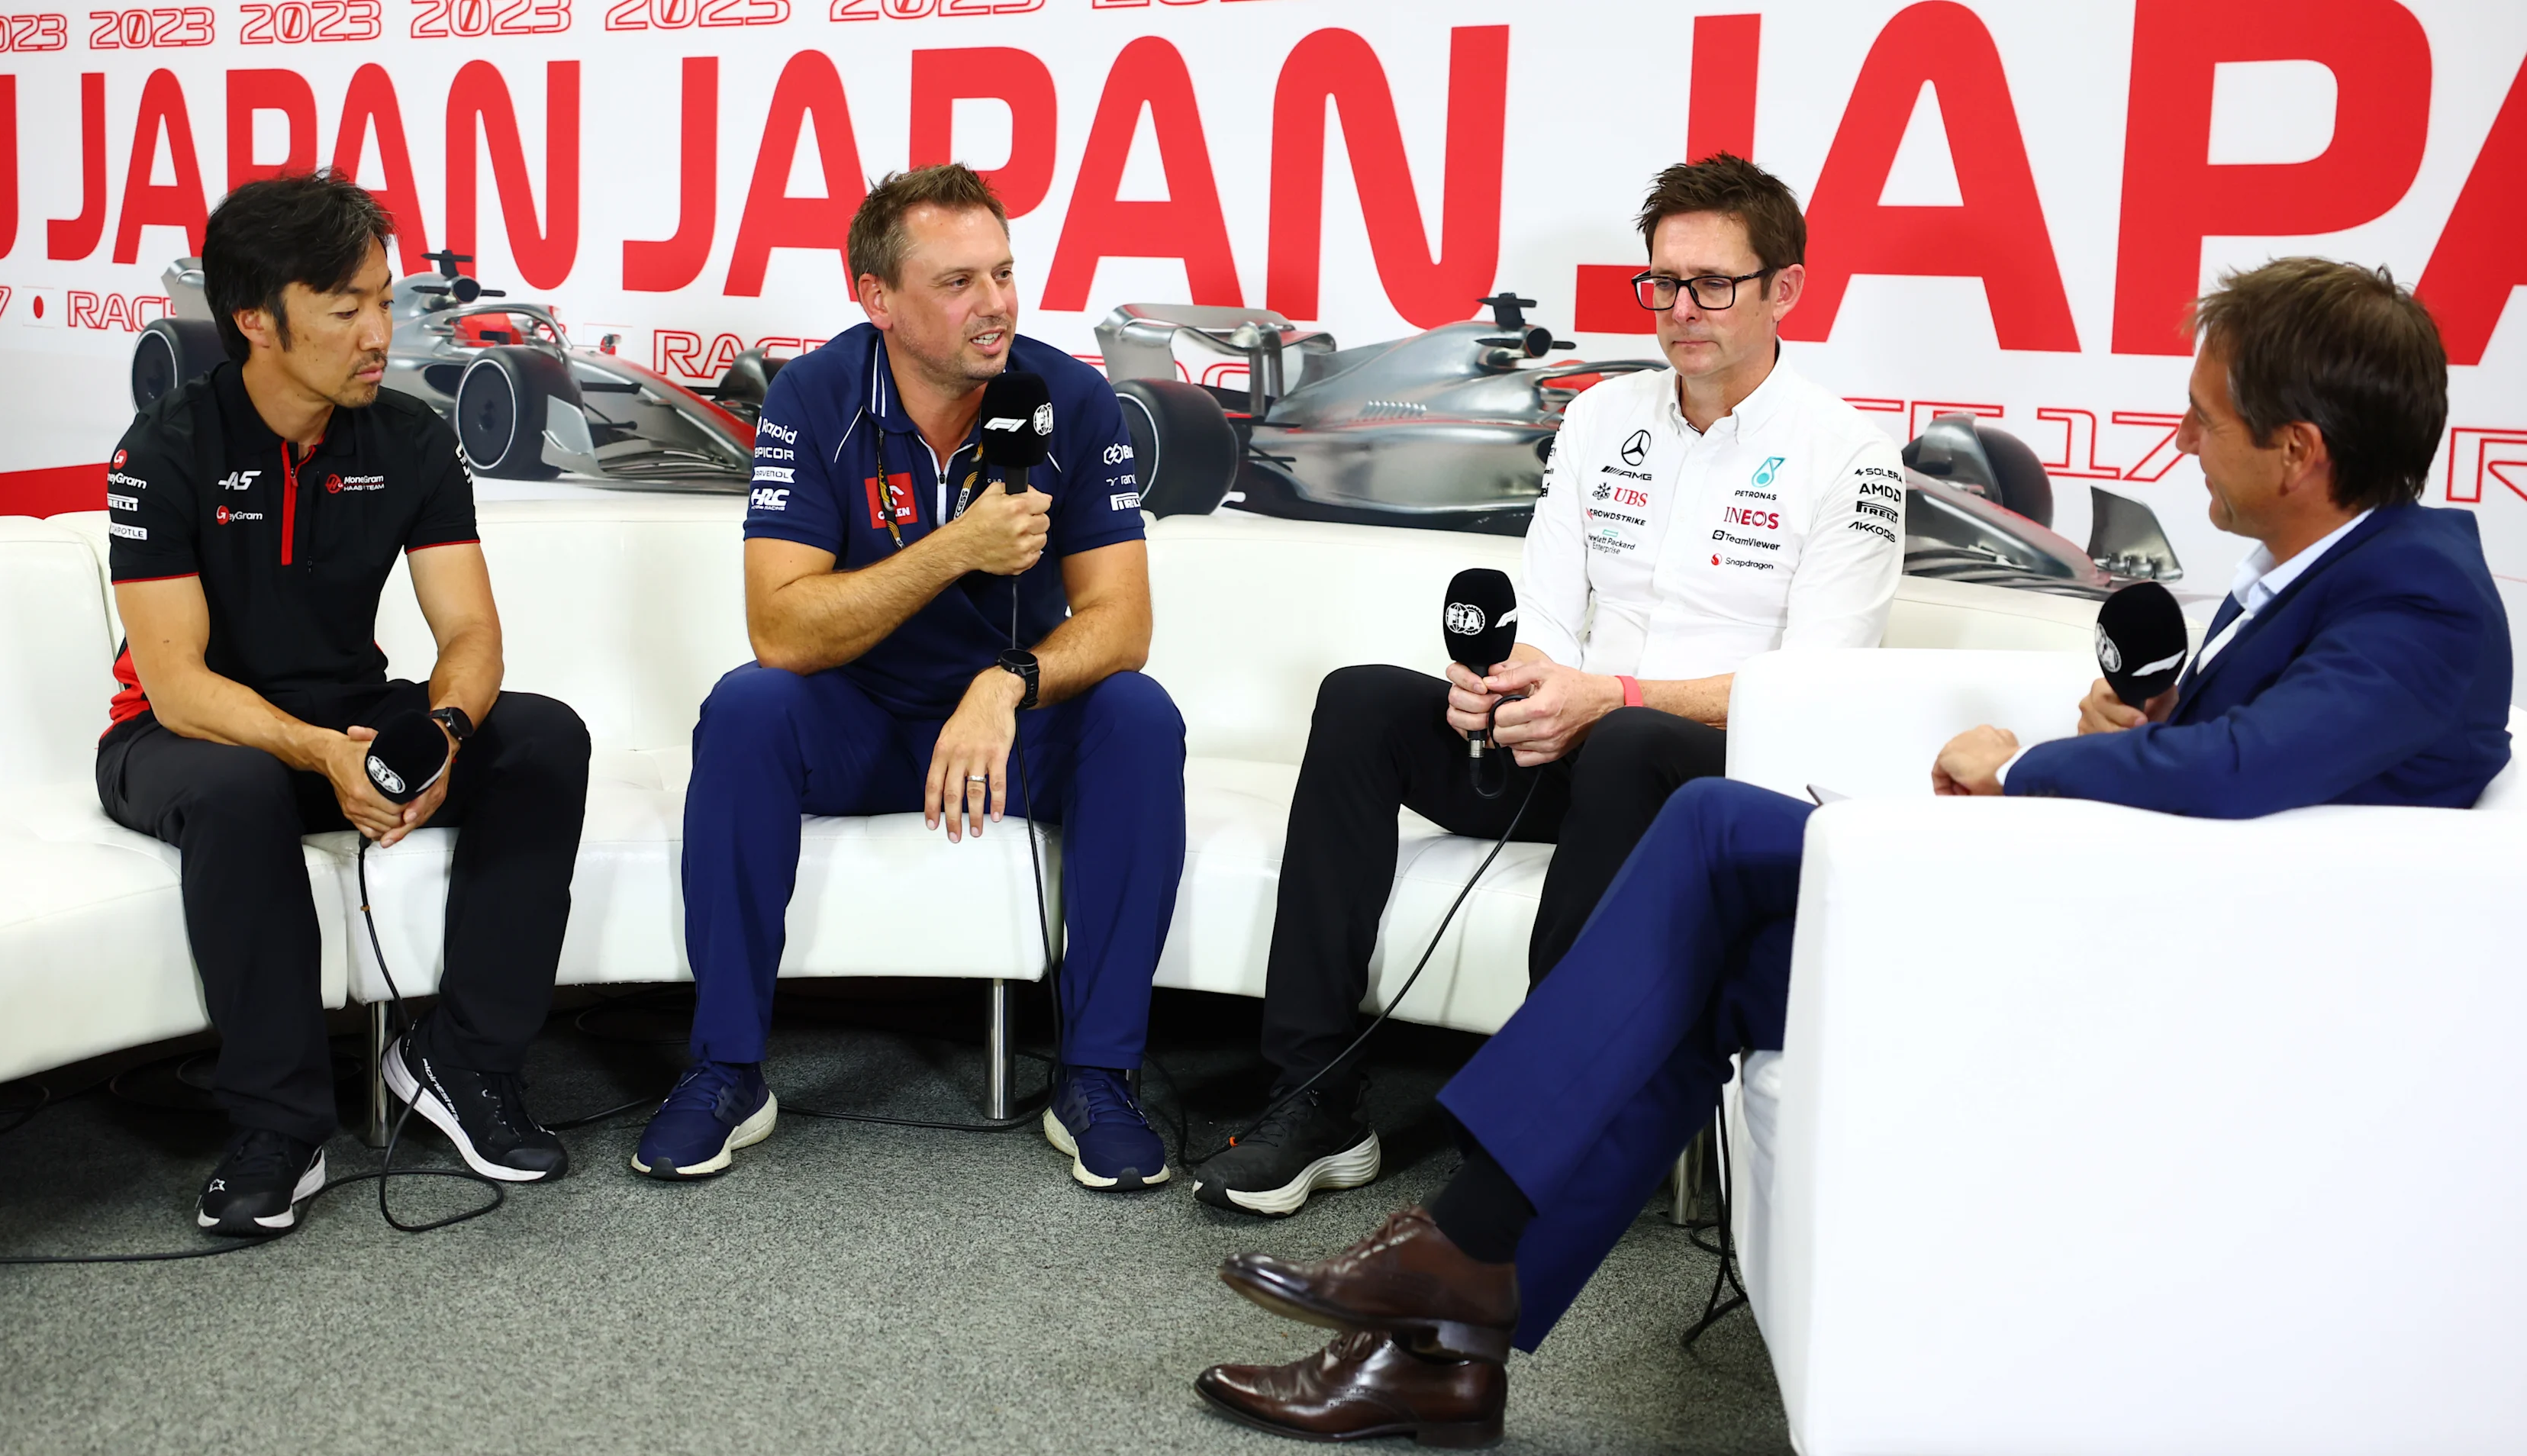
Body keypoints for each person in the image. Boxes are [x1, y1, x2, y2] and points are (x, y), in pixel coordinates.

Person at [1193, 256, 2513, 1443]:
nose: (2180, 439)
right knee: (1709, 955)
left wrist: (2038, 763)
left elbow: (2244, 774)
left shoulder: (2419, 599)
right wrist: (2141, 722)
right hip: (2123, 907)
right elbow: (2260, 754)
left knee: (1708, 823)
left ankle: (1457, 1247)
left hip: (2149, 972)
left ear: (2300, 449)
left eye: (2207, 421)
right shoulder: (2337, 570)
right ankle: (1444, 1347)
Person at [1194, 153, 1907, 1217]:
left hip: (1715, 778)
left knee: (1626, 743)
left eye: (1713, 283)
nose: (1681, 309)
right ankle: (1317, 1099)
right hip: (1576, 739)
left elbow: (1819, 684)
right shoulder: (1603, 417)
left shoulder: (1847, 453)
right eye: (1662, 282)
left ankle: (1540, 1130)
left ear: (1785, 291)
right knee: (1360, 701)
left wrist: (1610, 695)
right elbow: (1552, 612)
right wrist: (1510, 686)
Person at [632, 165, 1185, 1190]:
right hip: (867, 723)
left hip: (1006, 724)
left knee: (1138, 717)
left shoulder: (1070, 396)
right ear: (876, 297)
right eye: (959, 282)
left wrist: (1009, 681)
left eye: (1006, 274)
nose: (997, 305)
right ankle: (726, 1070)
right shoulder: (816, 395)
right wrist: (956, 546)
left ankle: (1098, 1076)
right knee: (748, 706)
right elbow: (783, 630)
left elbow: (1123, 624)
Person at [98, 173, 593, 1237]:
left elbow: (470, 636)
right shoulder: (166, 448)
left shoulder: (409, 439)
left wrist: (441, 737)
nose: (379, 331)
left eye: (383, 299)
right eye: (345, 307)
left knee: (545, 738)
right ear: (255, 320)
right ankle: (279, 1126)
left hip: (348, 716)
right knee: (236, 791)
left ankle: (463, 1064)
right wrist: (320, 752)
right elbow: (176, 681)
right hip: (189, 735)